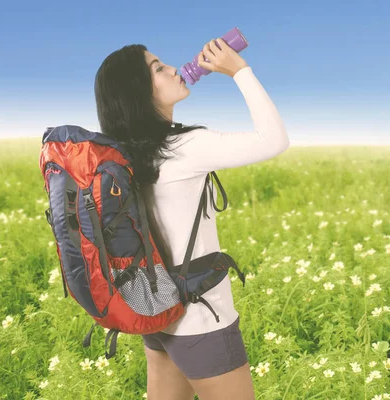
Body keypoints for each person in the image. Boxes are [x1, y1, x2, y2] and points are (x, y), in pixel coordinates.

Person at [94, 37, 290, 400]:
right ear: (139, 91)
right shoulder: (185, 147)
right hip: (202, 317)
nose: (172, 68)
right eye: (157, 67)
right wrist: (239, 71)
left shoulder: (124, 154)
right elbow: (274, 139)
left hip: (156, 305)